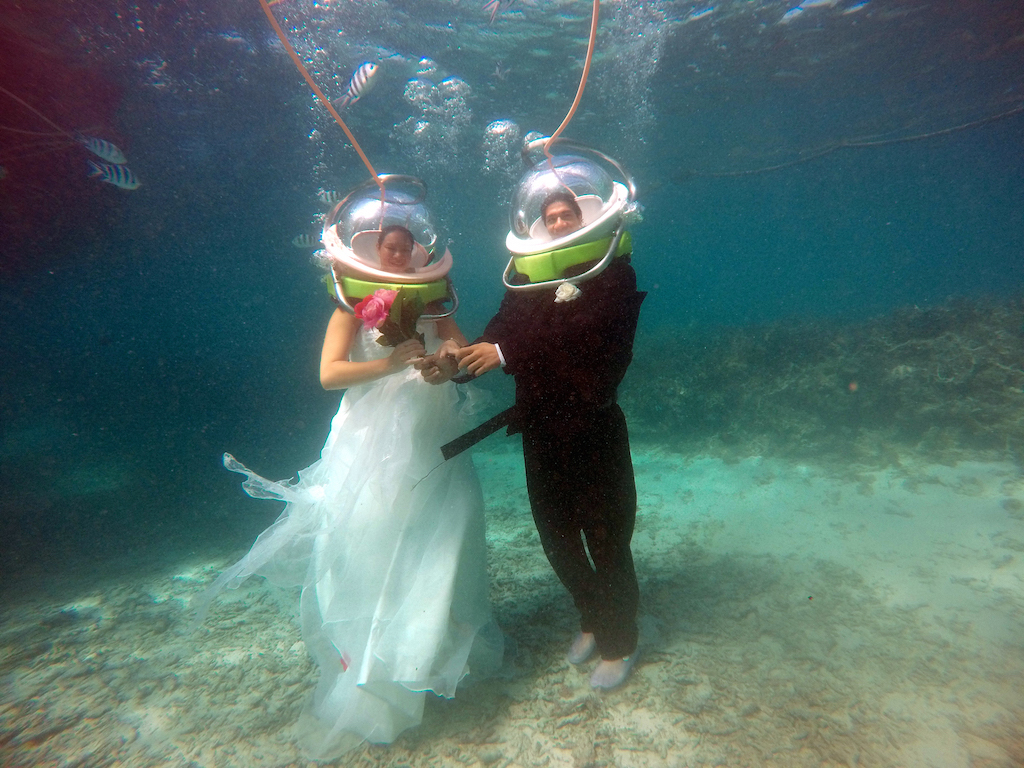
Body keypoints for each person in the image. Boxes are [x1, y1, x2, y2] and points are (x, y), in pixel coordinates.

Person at [195, 225, 502, 757]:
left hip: (432, 434)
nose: (399, 254)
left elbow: (457, 342)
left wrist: (446, 361)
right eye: (390, 247)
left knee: (446, 535)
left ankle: (423, 655)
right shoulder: (350, 307)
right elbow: (329, 374)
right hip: (369, 442)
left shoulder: (433, 301)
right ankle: (372, 672)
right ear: (372, 252)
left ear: (419, 254)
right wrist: (391, 362)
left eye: (407, 248)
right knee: (373, 542)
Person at [433, 190, 646, 690]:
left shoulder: (613, 272)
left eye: (566, 214)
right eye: (549, 217)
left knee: (606, 535)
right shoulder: (525, 278)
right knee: (557, 534)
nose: (557, 223)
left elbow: (590, 331)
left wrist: (505, 351)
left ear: (584, 218)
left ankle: (622, 642)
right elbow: (498, 333)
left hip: (593, 423)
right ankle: (593, 617)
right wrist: (455, 364)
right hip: (540, 425)